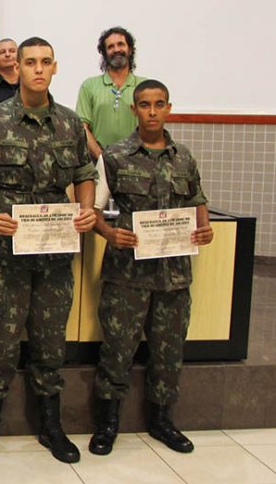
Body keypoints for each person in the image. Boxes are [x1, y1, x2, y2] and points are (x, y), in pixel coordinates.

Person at [0, 37, 97, 465]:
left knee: (52, 340)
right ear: (20, 67)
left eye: (44, 62)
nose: (36, 68)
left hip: (54, 251)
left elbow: (86, 173)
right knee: (1, 337)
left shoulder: (71, 125)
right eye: (30, 61)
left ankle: (51, 426)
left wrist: (87, 209)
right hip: (4, 251)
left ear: (55, 68)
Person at [89, 79, 213, 456]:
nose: (153, 111)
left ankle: (162, 421)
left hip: (173, 275)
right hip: (127, 274)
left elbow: (196, 202)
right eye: (145, 105)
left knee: (168, 350)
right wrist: (110, 234)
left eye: (159, 104)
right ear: (134, 109)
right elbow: (92, 211)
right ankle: (107, 423)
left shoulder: (184, 157)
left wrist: (203, 229)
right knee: (117, 349)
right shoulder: (114, 156)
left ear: (169, 108)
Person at [76, 27, 148, 159]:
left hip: (136, 162)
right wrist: (101, 156)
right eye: (110, 47)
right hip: (98, 161)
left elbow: (151, 125)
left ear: (130, 49)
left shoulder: (144, 87)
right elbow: (82, 128)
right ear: (104, 53)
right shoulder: (89, 86)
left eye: (121, 44)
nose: (116, 50)